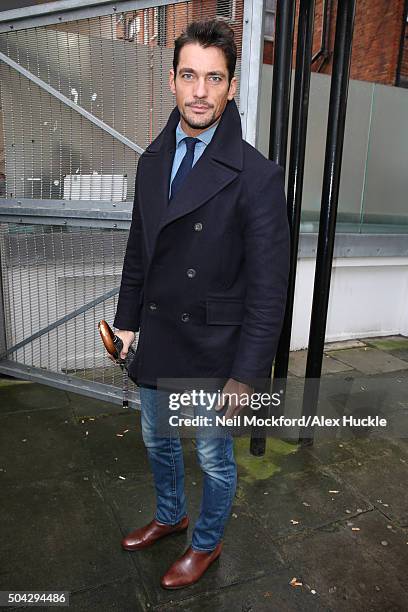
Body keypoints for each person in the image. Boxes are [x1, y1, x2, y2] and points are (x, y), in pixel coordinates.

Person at [111, 18, 290, 589]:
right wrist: (127, 324)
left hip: (216, 350)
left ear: (232, 87)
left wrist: (246, 376)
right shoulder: (150, 161)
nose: (200, 91)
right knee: (156, 439)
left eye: (214, 78)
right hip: (161, 338)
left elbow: (269, 290)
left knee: (214, 458)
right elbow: (140, 255)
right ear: (172, 81)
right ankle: (170, 515)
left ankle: (206, 544)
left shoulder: (257, 177)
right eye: (189, 75)